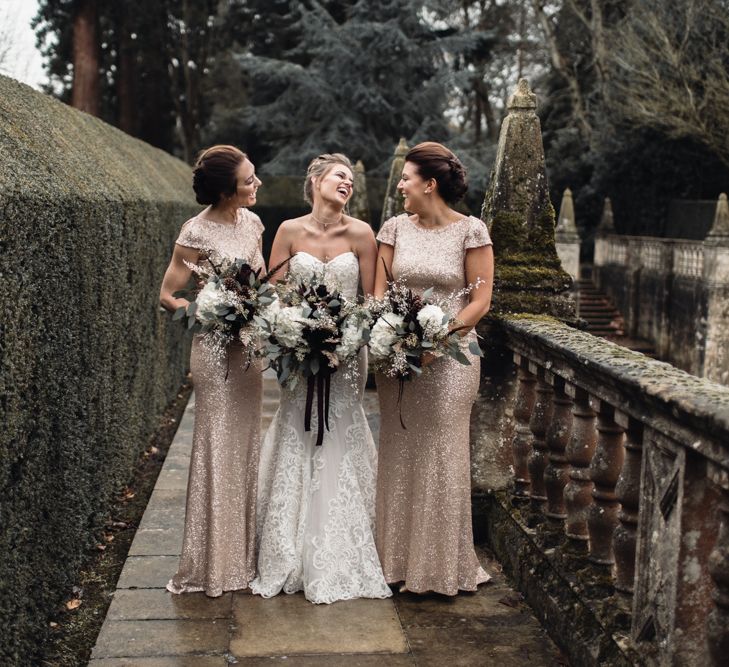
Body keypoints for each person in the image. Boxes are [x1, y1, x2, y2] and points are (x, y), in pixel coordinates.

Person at [250, 153, 391, 604]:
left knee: (341, 435)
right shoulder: (289, 231)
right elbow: (272, 293)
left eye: (350, 177)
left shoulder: (363, 233)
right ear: (315, 181)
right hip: (298, 357)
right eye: (339, 175)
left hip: (348, 361)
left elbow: (373, 299)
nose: (346, 182)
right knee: (299, 432)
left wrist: (347, 341)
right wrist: (293, 331)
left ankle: (342, 547)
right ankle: (287, 548)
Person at [374, 141, 494, 595]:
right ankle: (396, 561)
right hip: (398, 357)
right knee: (400, 451)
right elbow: (379, 293)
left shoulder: (471, 231)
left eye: (406, 178)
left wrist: (438, 341)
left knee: (443, 452)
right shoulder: (392, 228)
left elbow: (480, 299)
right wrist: (398, 337)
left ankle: (441, 566)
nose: (401, 185)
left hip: (455, 358)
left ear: (430, 183)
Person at [159, 145, 264, 596]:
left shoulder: (255, 224)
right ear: (226, 190)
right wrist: (208, 313)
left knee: (245, 448)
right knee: (217, 448)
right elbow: (168, 295)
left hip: (250, 355)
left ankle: (244, 557)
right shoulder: (195, 232)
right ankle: (213, 564)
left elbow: (262, 285)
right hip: (215, 352)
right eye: (248, 180)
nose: (256, 184)